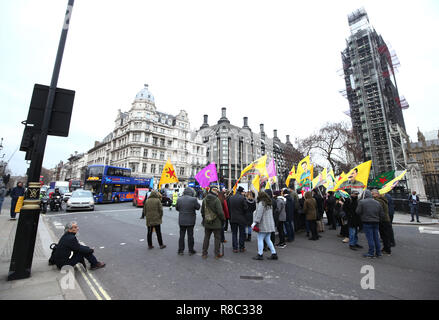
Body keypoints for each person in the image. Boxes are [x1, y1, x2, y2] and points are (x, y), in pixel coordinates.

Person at [356, 190, 385, 258]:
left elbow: (357, 212)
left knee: (370, 238)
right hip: (376, 222)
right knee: (376, 238)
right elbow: (382, 214)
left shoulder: (362, 202)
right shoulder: (377, 202)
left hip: (367, 222)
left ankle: (371, 253)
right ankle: (378, 252)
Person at [252, 191, 278, 260]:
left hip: (263, 224)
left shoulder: (261, 203)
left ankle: (260, 254)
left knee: (260, 239)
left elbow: (259, 214)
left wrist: (255, 222)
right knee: (268, 239)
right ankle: (274, 253)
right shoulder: (269, 204)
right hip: (270, 224)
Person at [201, 187, 225, 259]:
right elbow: (220, 212)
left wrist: (205, 218)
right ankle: (216, 254)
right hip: (216, 222)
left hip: (207, 222)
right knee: (217, 238)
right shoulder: (216, 200)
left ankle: (204, 253)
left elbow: (202, 212)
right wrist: (223, 220)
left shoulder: (204, 200)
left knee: (206, 237)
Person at [176, 187, 200, 255]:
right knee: (190, 236)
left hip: (182, 220)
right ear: (191, 193)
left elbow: (177, 208)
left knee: (181, 236)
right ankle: (191, 250)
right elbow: (198, 208)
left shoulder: (179, 199)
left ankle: (181, 250)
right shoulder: (193, 199)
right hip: (191, 220)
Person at [372, 189, 392, 255]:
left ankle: (387, 249)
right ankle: (386, 248)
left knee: (384, 235)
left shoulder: (379, 201)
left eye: (373, 194)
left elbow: (377, 210)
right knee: (385, 235)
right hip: (386, 219)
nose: (372, 195)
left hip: (383, 220)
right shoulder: (383, 199)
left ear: (377, 194)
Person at [228, 186, 248, 253]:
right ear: (241, 192)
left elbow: (229, 208)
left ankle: (235, 248)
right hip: (241, 218)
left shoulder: (231, 198)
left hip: (233, 218)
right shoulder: (243, 198)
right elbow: (246, 208)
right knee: (242, 233)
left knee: (234, 233)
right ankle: (241, 247)